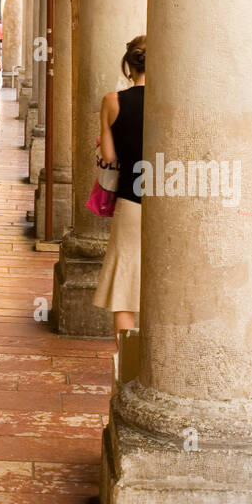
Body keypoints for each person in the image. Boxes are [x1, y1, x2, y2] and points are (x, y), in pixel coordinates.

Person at [93, 36, 146, 344]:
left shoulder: (113, 101)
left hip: (131, 201)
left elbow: (109, 157)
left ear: (129, 65)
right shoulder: (170, 102)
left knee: (125, 288)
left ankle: (125, 363)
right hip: (168, 202)